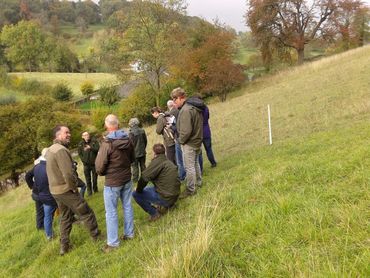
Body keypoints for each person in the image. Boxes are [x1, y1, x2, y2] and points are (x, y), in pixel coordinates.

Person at [45, 125, 100, 256]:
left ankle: (64, 247)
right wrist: (73, 188)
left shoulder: (50, 149)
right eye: (66, 133)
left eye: (69, 132)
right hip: (65, 189)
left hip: (55, 191)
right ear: (58, 135)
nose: (69, 134)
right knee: (85, 211)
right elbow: (68, 174)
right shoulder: (60, 150)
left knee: (65, 217)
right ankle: (97, 237)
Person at [95, 114, 135, 253]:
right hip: (126, 178)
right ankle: (129, 234)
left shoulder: (107, 144)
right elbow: (132, 158)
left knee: (111, 212)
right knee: (127, 206)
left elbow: (99, 167)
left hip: (113, 181)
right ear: (117, 124)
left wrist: (103, 173)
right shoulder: (128, 139)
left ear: (107, 126)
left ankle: (113, 243)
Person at [171, 87, 205, 198]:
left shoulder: (186, 110)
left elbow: (186, 131)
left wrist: (180, 141)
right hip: (197, 140)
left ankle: (191, 189)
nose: (174, 103)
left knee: (189, 166)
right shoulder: (194, 106)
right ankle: (198, 182)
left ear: (180, 98)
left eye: (175, 100)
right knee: (195, 163)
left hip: (190, 143)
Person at [133, 143, 180, 221]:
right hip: (175, 195)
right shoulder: (168, 161)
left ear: (154, 153)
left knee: (135, 194)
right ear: (164, 152)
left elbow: (144, 178)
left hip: (166, 198)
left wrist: (138, 190)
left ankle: (154, 214)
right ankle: (170, 205)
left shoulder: (157, 162)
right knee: (152, 187)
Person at [25, 148, 58, 240]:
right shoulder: (44, 166)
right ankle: (42, 228)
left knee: (44, 213)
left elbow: (28, 176)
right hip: (43, 194)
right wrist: (32, 186)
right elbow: (28, 176)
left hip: (40, 193)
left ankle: (47, 233)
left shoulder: (37, 165)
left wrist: (32, 186)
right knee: (43, 212)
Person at [167, 100, 186, 181]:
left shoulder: (172, 113)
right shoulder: (179, 111)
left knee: (180, 160)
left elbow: (177, 127)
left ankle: (182, 177)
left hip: (179, 137)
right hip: (182, 136)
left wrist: (170, 127)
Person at [78, 131, 99, 196]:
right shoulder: (80, 144)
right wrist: (83, 161)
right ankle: (89, 192)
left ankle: (95, 189)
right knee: (88, 178)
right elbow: (80, 154)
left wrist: (91, 148)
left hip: (94, 163)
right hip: (86, 164)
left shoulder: (94, 141)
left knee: (95, 178)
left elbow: (98, 149)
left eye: (87, 135)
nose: (87, 136)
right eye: (85, 135)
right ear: (82, 137)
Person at [128, 118, 147, 183]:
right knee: (143, 165)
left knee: (135, 167)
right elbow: (145, 141)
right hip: (142, 151)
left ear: (131, 124)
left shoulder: (131, 133)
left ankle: (135, 180)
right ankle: (144, 179)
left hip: (134, 153)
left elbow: (130, 144)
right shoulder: (142, 130)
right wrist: (143, 148)